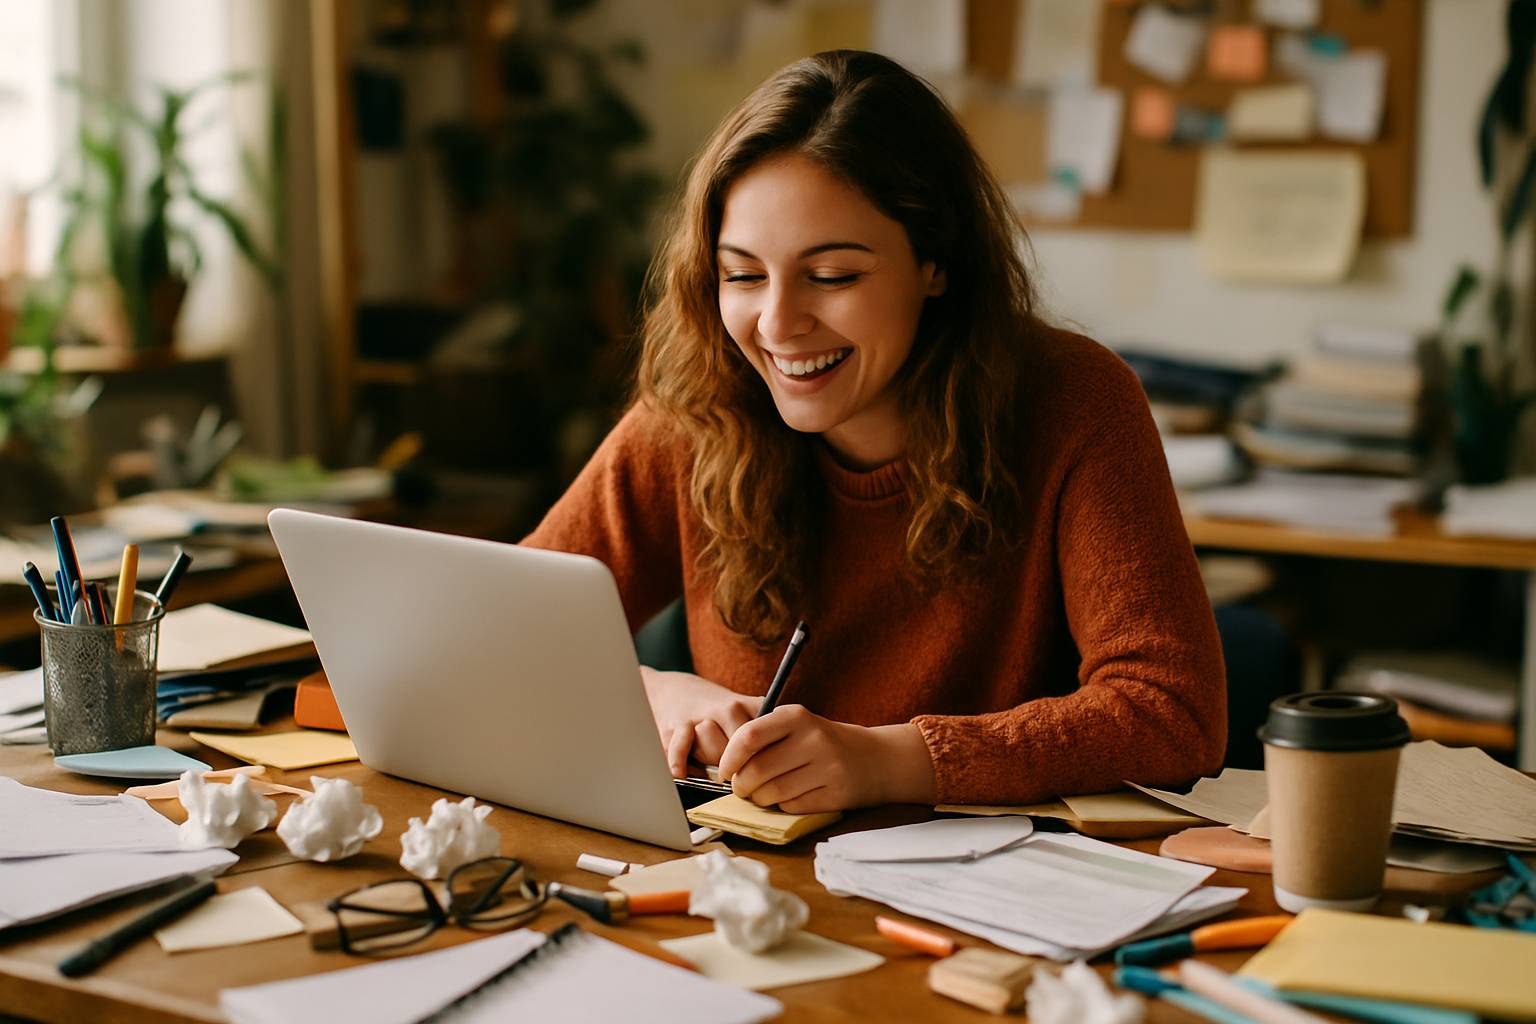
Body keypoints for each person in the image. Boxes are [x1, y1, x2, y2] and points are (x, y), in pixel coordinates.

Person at [524, 50, 1226, 813]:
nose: (779, 324)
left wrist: (890, 759)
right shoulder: (698, 410)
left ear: (936, 262)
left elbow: (1171, 713)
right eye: (743, 275)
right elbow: (491, 628)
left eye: (832, 277)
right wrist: (648, 692)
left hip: (986, 897)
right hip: (748, 887)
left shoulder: (1074, 400)